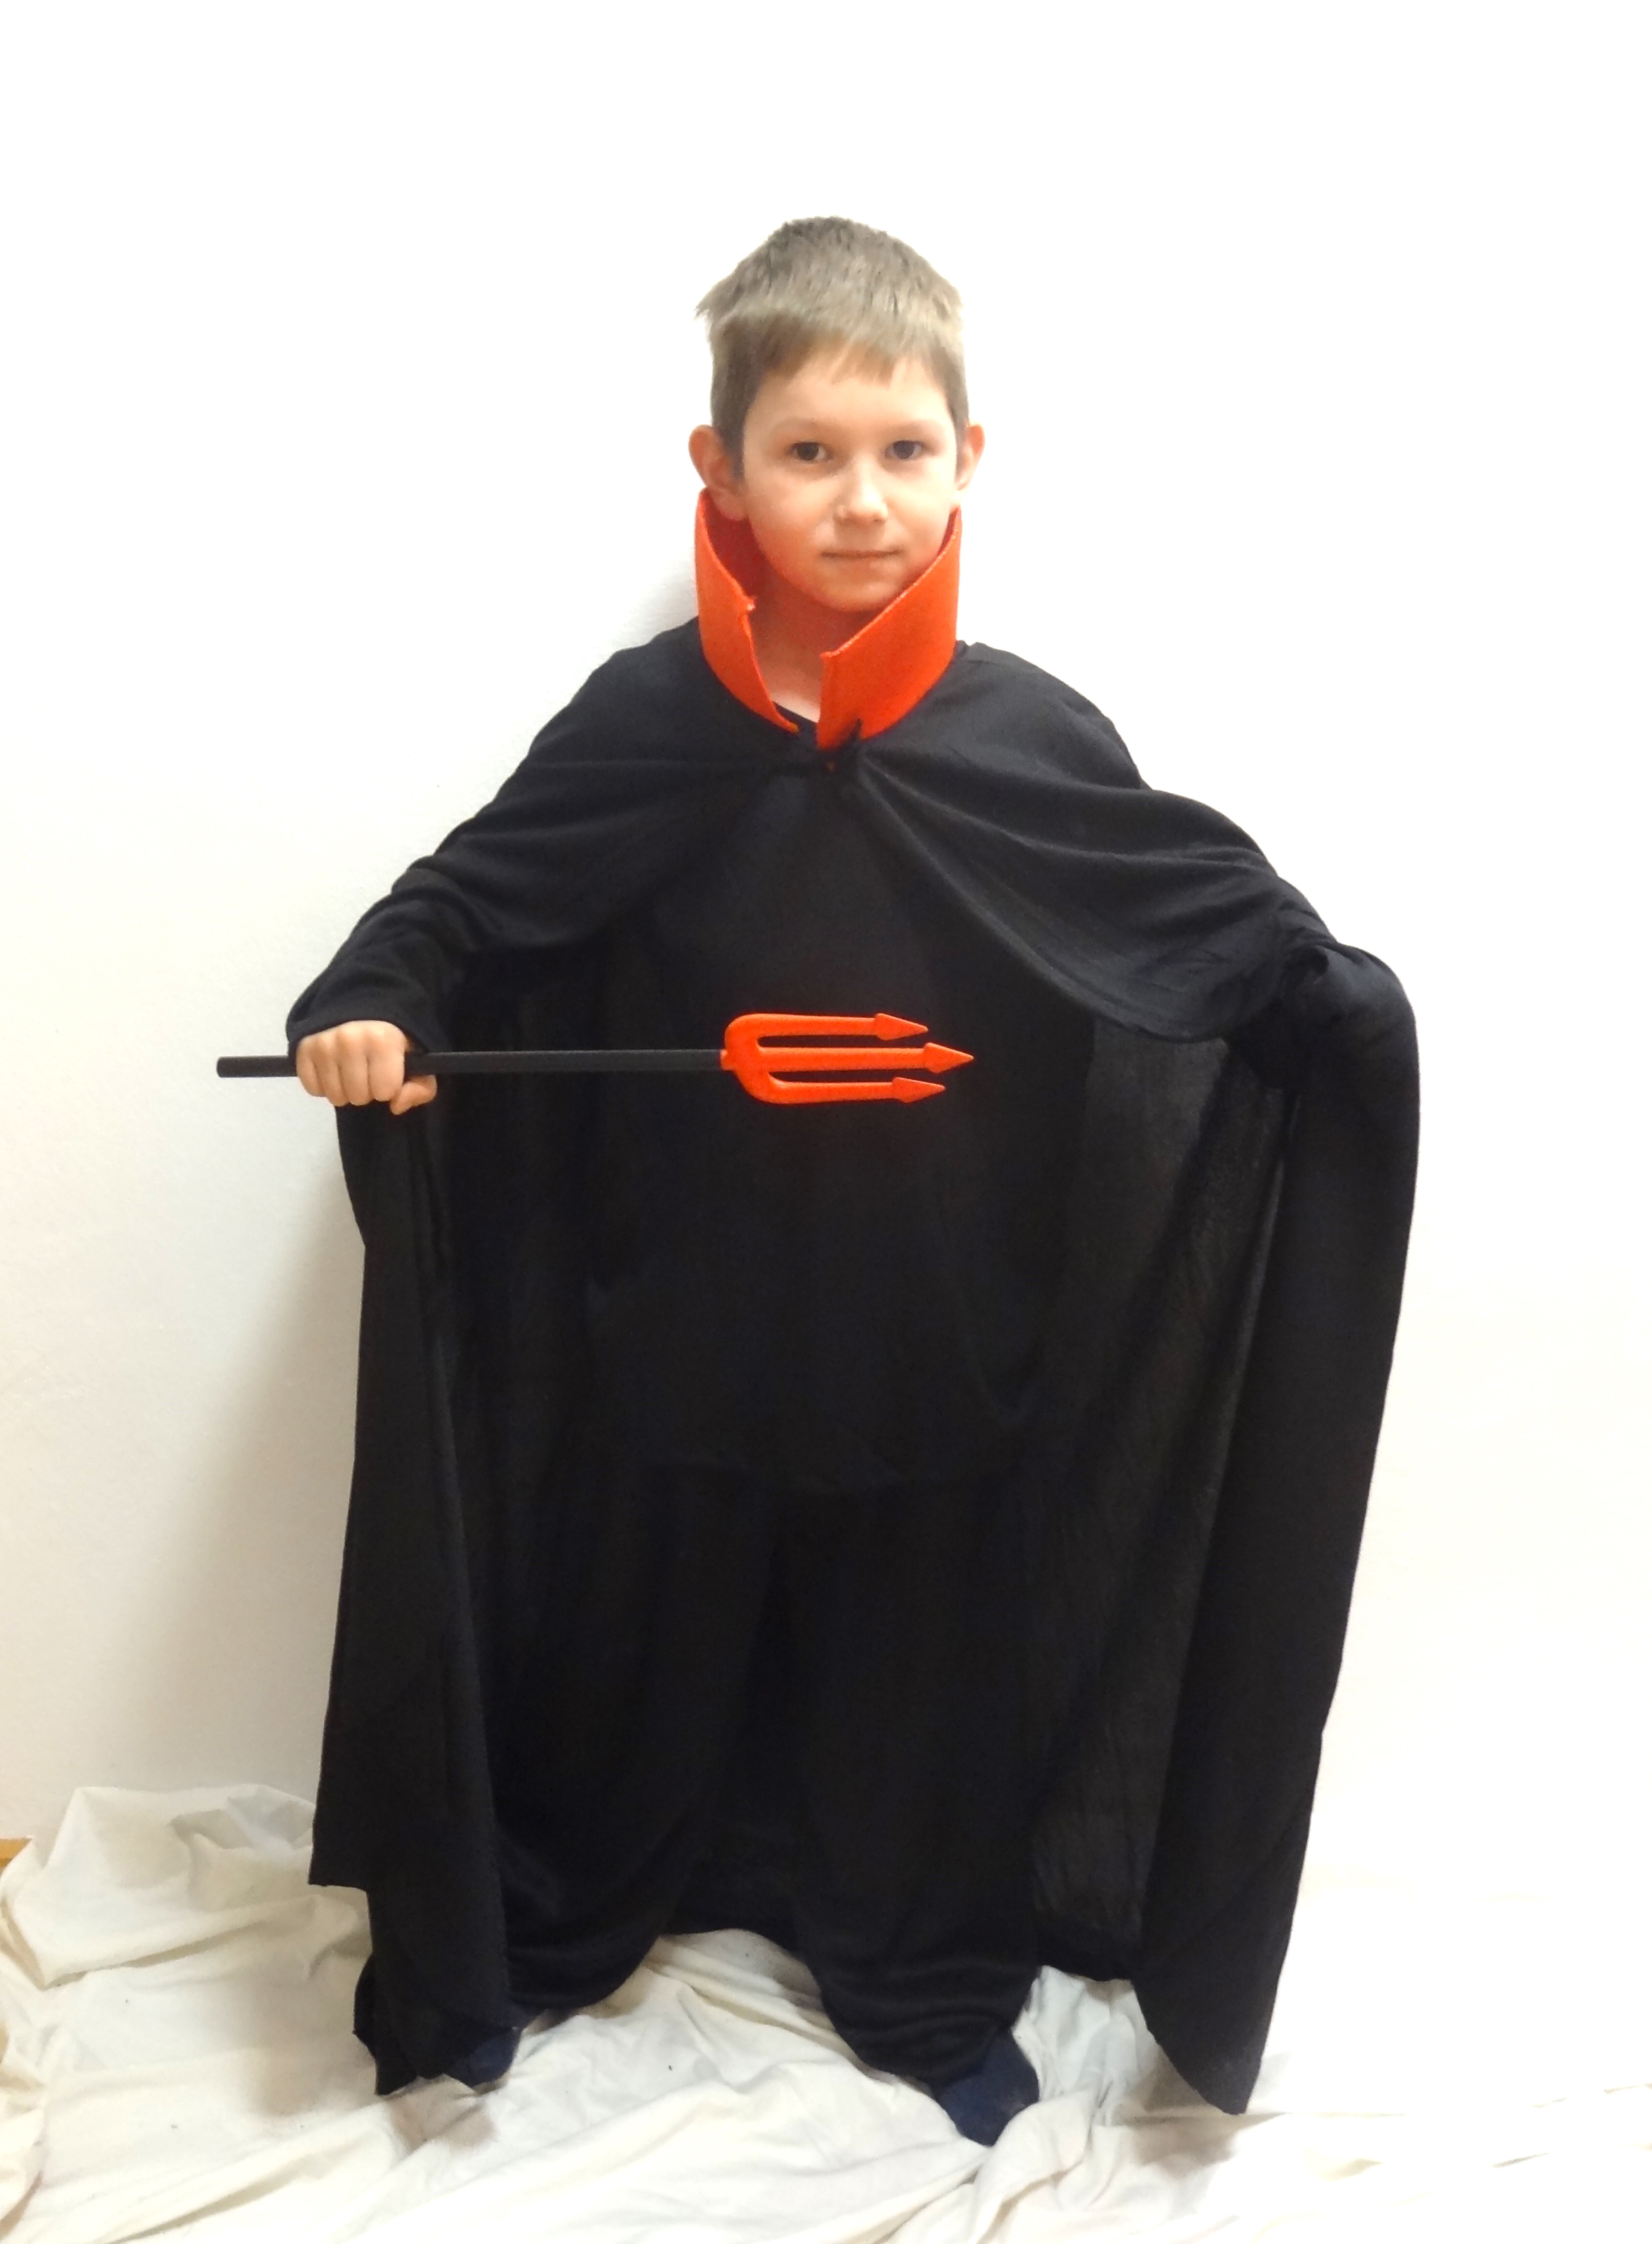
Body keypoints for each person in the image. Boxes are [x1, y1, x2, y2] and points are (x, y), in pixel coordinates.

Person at [284, 218, 1417, 2146]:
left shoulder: (1033, 736)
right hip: (677, 1330)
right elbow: (460, 909)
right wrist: (371, 1006)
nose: (863, 499)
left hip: (944, 1345)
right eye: (809, 452)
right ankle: (555, 1926)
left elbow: (1192, 925)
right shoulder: (649, 721)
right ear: (720, 470)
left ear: (973, 459)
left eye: (903, 450)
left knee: (920, 1697)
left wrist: (1339, 1015)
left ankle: (923, 1977)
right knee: (633, 1669)